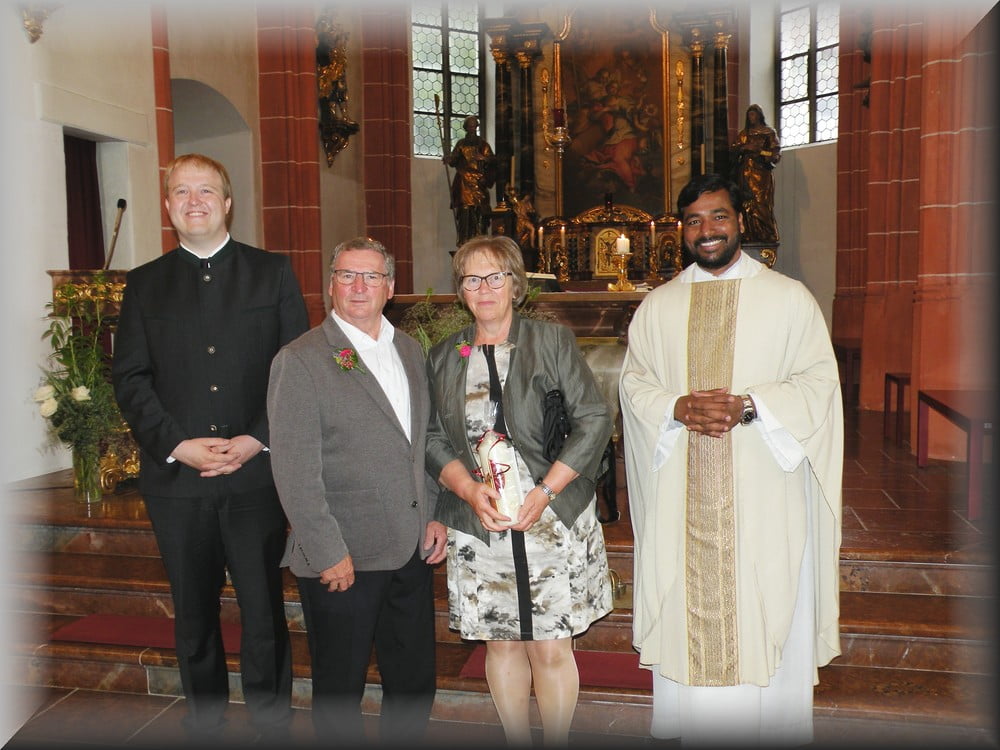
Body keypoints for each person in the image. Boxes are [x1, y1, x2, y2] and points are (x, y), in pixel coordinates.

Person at [618, 173, 843, 746]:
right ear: (681, 231)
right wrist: (677, 407)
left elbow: (819, 382)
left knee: (766, 593)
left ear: (741, 220)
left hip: (764, 490)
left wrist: (750, 405)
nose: (707, 230)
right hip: (682, 492)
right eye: (694, 221)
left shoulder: (789, 298)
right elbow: (635, 385)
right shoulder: (659, 306)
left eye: (718, 216)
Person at [112, 153, 309, 744]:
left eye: (205, 191)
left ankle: (271, 719)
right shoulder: (144, 283)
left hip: (255, 477)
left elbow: (296, 370)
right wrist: (177, 445)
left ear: (227, 203)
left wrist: (255, 438)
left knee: (262, 607)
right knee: (192, 609)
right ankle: (204, 719)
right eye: (181, 191)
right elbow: (131, 378)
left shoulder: (271, 272)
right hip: (177, 481)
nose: (193, 201)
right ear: (167, 206)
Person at [425, 235, 614, 746]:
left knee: (551, 646)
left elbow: (594, 418)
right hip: (480, 518)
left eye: (495, 276)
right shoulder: (446, 354)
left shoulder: (550, 341)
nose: (484, 288)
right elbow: (433, 438)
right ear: (461, 289)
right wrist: (468, 491)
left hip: (550, 513)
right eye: (472, 279)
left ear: (515, 284)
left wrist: (546, 491)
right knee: (502, 643)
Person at [266, 237, 447, 746]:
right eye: (347, 275)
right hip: (344, 556)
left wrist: (434, 513)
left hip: (411, 546)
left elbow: (422, 442)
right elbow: (294, 470)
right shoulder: (301, 359)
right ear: (331, 286)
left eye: (372, 276)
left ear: (391, 287)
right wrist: (327, 551)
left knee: (412, 681)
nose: (359, 286)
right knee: (339, 689)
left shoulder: (409, 350)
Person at [730, 104, 782, 244]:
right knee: (746, 204)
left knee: (761, 203)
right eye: (749, 115)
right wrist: (743, 148)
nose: (751, 117)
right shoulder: (744, 134)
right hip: (745, 173)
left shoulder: (769, 132)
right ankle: (748, 234)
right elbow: (733, 151)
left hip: (761, 174)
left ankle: (766, 234)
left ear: (759, 115)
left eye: (753, 114)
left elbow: (775, 154)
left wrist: (759, 151)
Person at [445, 115, 497, 246]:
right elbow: (454, 159)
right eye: (470, 126)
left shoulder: (483, 144)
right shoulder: (461, 144)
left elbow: (493, 160)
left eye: (474, 126)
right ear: (466, 128)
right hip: (464, 181)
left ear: (477, 127)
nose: (472, 128)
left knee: (480, 212)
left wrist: (484, 158)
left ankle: (479, 240)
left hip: (479, 182)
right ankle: (464, 241)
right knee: (465, 211)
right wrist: (449, 159)